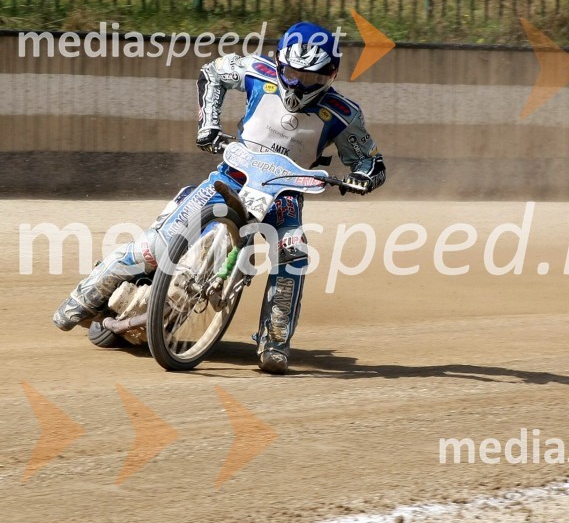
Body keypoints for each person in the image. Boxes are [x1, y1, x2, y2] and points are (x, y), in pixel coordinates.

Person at [53, 22, 387, 374]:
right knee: (158, 244)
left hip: (285, 195)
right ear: (278, 63)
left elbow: (372, 161)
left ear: (331, 74)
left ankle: (274, 343)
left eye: (313, 79)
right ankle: (82, 298)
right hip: (231, 175)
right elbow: (212, 74)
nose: (301, 85)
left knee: (293, 254)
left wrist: (362, 178)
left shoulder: (344, 115)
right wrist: (207, 125)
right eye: (293, 73)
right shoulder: (256, 70)